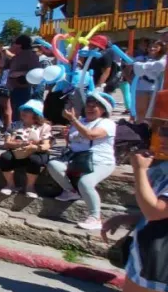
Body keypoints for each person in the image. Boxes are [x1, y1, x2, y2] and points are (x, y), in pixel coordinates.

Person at [107, 152, 168, 292]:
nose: (162, 136)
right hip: (146, 252)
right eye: (161, 129)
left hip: (163, 259)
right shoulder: (163, 165)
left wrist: (139, 169)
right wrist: (130, 218)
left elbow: (156, 211)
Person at [46, 92, 118, 231]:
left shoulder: (107, 123)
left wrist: (74, 120)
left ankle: (95, 217)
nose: (89, 109)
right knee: (53, 164)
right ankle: (71, 191)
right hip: (78, 159)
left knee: (85, 182)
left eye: (94, 106)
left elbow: (90, 135)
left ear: (103, 109)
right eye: (88, 106)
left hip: (101, 161)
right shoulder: (82, 121)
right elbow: (75, 141)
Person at [0, 99, 51, 198]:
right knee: (5, 157)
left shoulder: (45, 127)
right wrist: (21, 144)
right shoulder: (14, 125)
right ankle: (10, 185)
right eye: (23, 110)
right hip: (18, 152)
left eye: (27, 111)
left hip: (36, 152)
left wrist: (35, 147)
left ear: (35, 114)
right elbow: (7, 143)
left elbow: (46, 145)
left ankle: (30, 187)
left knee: (34, 160)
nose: (23, 112)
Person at [5, 35, 42, 125]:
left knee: (22, 112)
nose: (11, 46)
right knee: (15, 112)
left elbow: (37, 71)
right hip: (14, 89)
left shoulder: (30, 55)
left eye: (13, 44)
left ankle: (21, 130)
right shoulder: (17, 56)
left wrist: (20, 73)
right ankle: (16, 129)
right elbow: (2, 66)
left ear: (19, 45)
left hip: (24, 89)